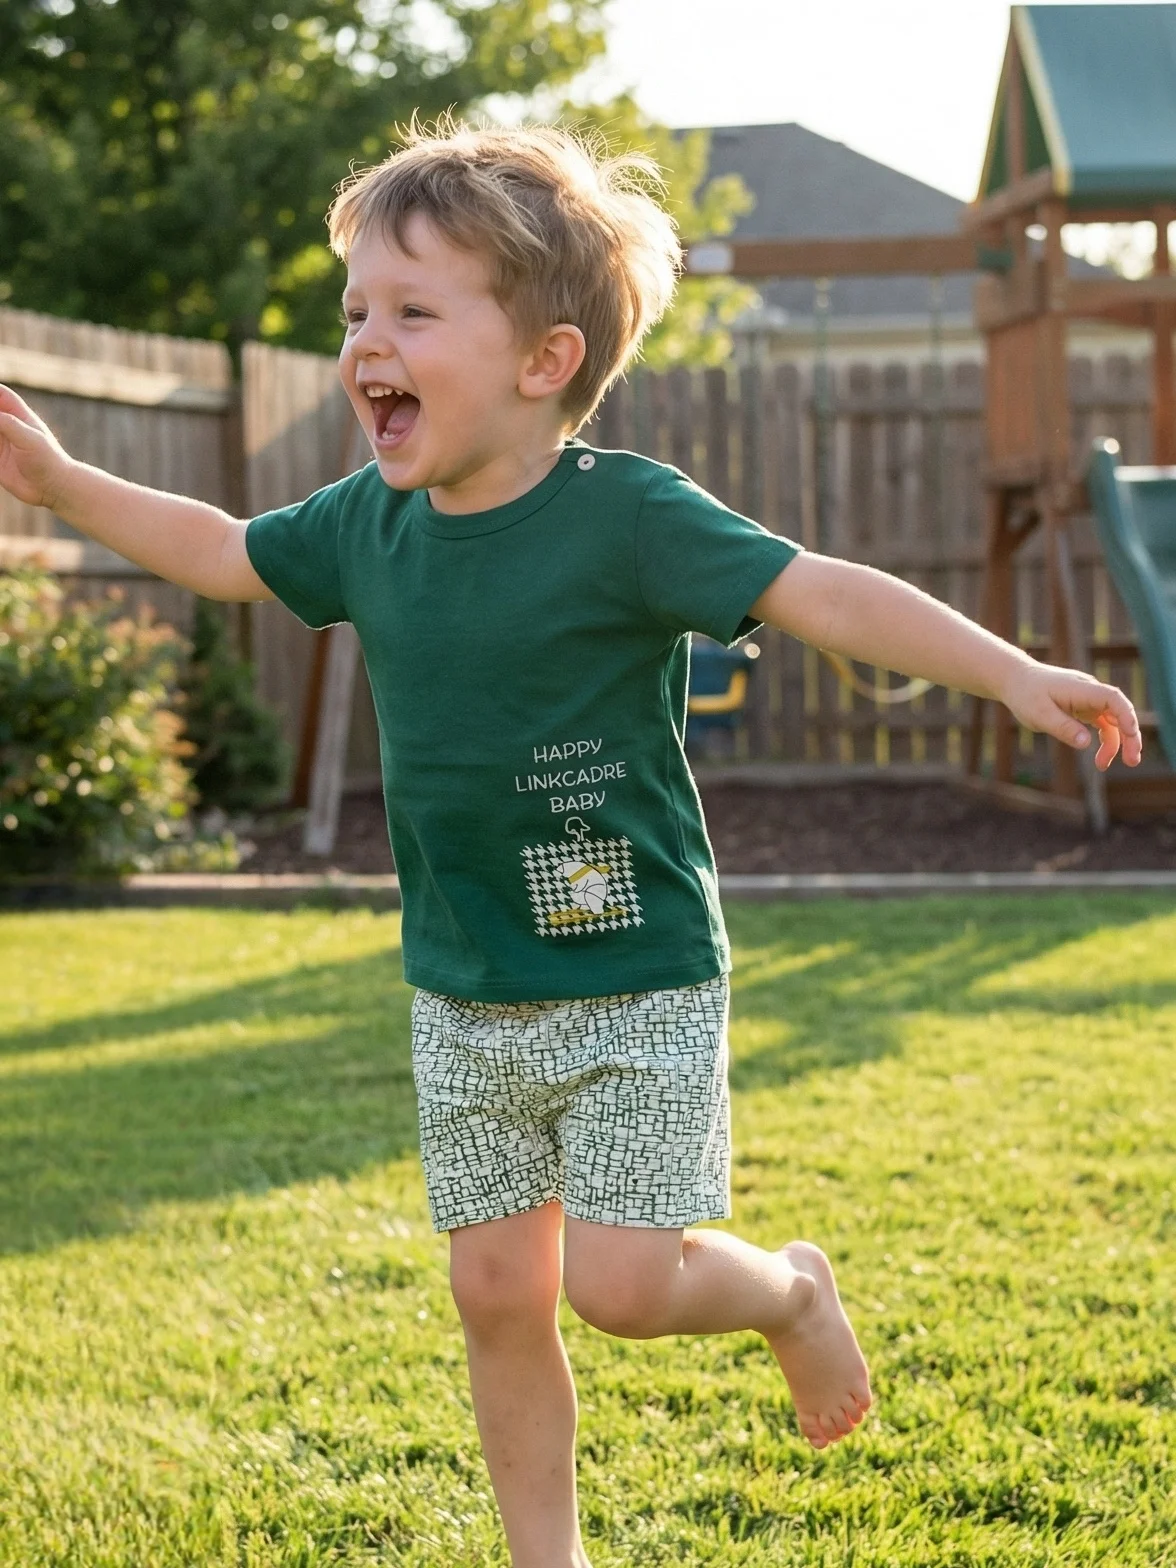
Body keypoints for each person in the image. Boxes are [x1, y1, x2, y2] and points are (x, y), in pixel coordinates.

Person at [0, 119, 1142, 1568]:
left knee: (623, 1286)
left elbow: (824, 592)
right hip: (464, 984)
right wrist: (59, 484)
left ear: (545, 361)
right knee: (496, 1293)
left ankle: (791, 1293)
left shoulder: (629, 518)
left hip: (637, 975)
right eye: (356, 312)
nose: (368, 343)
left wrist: (1013, 672)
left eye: (414, 312)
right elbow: (223, 551)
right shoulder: (365, 525)